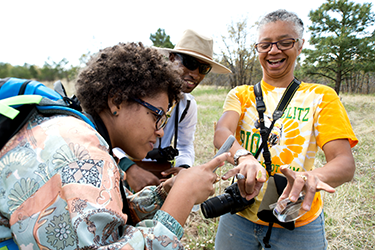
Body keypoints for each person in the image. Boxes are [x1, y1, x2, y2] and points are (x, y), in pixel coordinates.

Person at [0, 42, 229, 249]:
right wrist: (183, 197)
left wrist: (163, 193)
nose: (160, 131)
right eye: (157, 115)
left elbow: (100, 212)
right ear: (116, 101)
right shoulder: (82, 153)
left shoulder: (77, 135)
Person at [213, 9, 358, 250]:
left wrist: (312, 177)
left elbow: (344, 163)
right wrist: (243, 155)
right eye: (266, 44)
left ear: (300, 46)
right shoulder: (240, 95)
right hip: (238, 214)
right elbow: (222, 132)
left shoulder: (320, 97)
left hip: (297, 218)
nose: (274, 50)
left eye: (285, 42)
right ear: (258, 50)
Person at [121, 29, 232, 192]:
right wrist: (129, 168)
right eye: (190, 63)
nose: (195, 74)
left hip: (162, 173)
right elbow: (111, 139)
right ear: (172, 59)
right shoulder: (139, 94)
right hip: (123, 170)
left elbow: (185, 145)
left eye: (203, 69)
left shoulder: (187, 105)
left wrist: (183, 168)